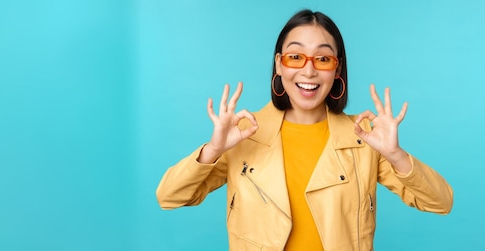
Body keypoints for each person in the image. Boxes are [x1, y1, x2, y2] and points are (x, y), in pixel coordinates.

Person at [155, 9, 453, 251]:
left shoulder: (363, 139)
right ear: (279, 65)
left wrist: (396, 155)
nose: (308, 71)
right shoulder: (242, 134)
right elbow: (168, 197)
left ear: (337, 70)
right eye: (295, 57)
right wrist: (214, 150)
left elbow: (441, 203)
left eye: (323, 59)